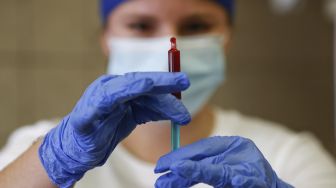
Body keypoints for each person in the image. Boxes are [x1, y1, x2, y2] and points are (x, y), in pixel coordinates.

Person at [0, 0, 335, 187]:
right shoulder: (34, 150)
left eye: (196, 26)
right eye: (141, 26)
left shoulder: (290, 157)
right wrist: (53, 160)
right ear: (106, 38)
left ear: (227, 37)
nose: (170, 45)